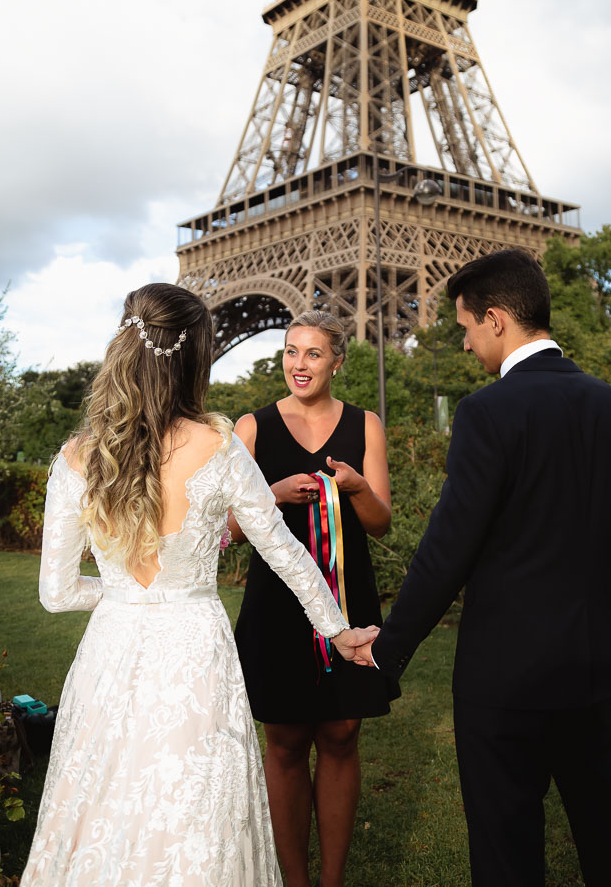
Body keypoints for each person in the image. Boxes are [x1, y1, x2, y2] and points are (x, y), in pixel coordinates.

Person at [21, 283, 376, 887]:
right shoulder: (218, 444)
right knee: (197, 813)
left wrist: (122, 597)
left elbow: (55, 592)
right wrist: (338, 630)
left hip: (111, 654)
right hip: (196, 652)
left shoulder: (78, 454)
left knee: (105, 804)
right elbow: (284, 552)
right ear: (194, 357)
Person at [355, 249, 611, 887]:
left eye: (463, 328)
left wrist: (389, 649)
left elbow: (449, 548)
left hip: (504, 678)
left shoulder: (488, 412)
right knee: (607, 835)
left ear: (495, 320)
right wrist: (600, 633)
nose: (464, 346)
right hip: (590, 669)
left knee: (506, 848)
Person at [230, 310, 399, 887]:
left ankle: (331, 881)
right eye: (291, 352)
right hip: (277, 603)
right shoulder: (250, 428)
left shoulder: (366, 425)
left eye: (313, 354)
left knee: (341, 734)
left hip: (348, 599)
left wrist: (354, 488)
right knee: (284, 741)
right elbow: (221, 522)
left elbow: (380, 524)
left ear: (337, 361)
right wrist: (269, 494)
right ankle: (294, 881)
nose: (299, 365)